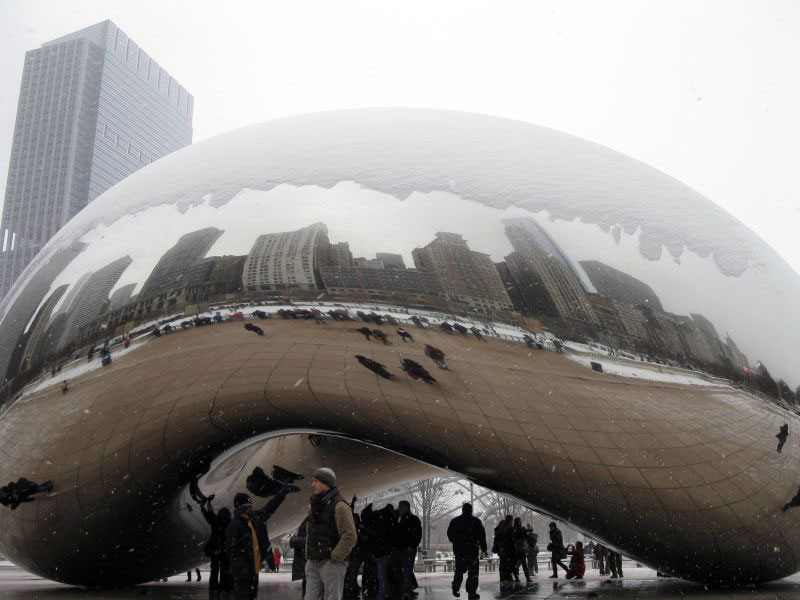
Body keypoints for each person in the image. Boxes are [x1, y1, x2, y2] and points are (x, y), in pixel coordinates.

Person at [226, 483, 296, 600]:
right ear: (239, 507)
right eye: (246, 505)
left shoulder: (255, 519)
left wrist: (282, 493)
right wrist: (242, 569)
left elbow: (270, 507)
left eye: (249, 504)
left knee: (252, 597)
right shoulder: (234, 525)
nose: (249, 507)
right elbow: (232, 551)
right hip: (243, 573)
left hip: (254, 570)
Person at [305, 467, 357, 600]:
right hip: (314, 561)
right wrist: (310, 555)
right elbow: (311, 532)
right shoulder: (314, 504)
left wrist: (334, 557)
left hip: (331, 563)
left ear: (325, 483)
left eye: (316, 481)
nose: (313, 485)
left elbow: (350, 536)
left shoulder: (340, 506)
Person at [446, 503, 486, 600]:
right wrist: (483, 548)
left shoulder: (455, 521)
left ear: (462, 510)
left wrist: (457, 541)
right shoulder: (476, 522)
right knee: (473, 572)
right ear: (471, 510)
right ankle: (471, 592)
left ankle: (456, 586)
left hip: (459, 551)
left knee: (459, 570)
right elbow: (482, 537)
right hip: (472, 551)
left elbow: (450, 535)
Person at [201, 498, 231, 597]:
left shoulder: (215, 521)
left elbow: (208, 514)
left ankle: (213, 588)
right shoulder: (230, 523)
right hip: (224, 551)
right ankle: (223, 588)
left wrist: (204, 506)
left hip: (215, 549)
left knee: (214, 570)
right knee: (224, 570)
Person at [392, 500, 422, 600]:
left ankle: (405, 590)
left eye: (401, 506)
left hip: (406, 549)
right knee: (402, 570)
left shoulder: (411, 519)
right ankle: (405, 589)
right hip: (400, 548)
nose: (399, 508)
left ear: (406, 508)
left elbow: (417, 534)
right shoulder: (397, 518)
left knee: (406, 570)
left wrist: (412, 545)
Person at [492, 516, 515, 589]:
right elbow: (511, 539)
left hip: (501, 549)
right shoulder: (509, 528)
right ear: (510, 520)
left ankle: (502, 577)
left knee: (503, 563)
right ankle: (508, 577)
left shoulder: (499, 529)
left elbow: (497, 539)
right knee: (508, 563)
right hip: (507, 549)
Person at [290, 517, 308, 596]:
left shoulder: (316, 517)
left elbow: (313, 540)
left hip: (309, 564)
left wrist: (294, 540)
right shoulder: (311, 517)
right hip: (307, 566)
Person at [511, 517, 532, 584]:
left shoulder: (513, 529)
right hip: (521, 548)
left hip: (515, 548)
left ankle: (516, 577)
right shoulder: (522, 529)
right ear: (519, 522)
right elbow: (527, 536)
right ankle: (528, 578)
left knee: (516, 563)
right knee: (524, 563)